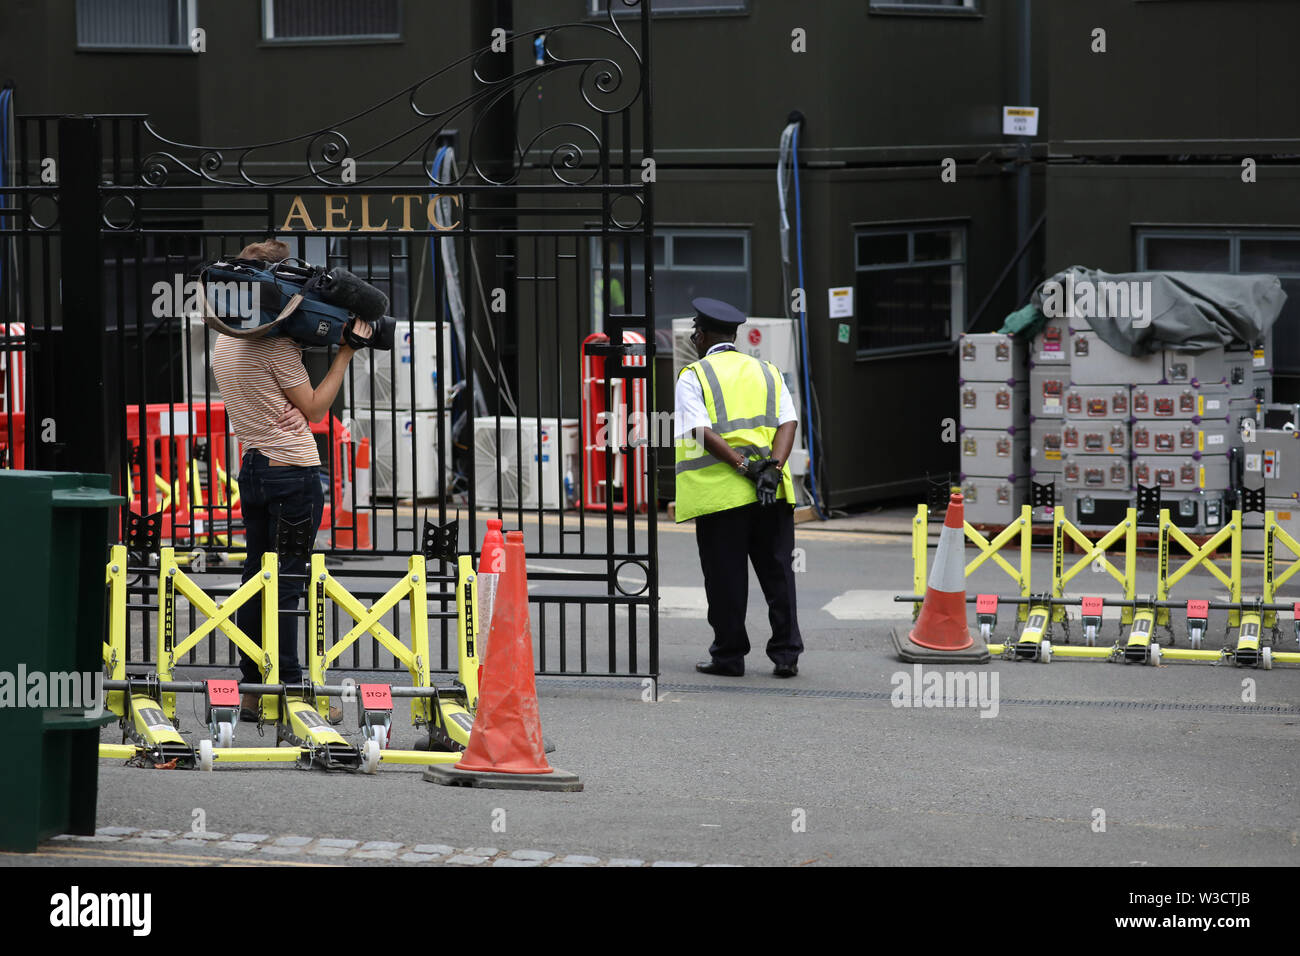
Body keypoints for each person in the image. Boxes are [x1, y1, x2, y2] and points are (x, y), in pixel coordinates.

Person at [210, 238, 371, 720]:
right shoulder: (276, 346)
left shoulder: (224, 339)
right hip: (293, 472)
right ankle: (293, 690)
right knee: (289, 582)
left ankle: (255, 687)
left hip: (254, 467)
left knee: (256, 576)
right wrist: (345, 352)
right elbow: (316, 408)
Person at [674, 297, 803, 678]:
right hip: (771, 493)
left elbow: (700, 431)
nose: (694, 336)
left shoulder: (694, 375)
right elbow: (788, 423)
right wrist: (772, 470)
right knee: (779, 574)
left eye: (696, 330)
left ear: (702, 335)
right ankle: (786, 655)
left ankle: (729, 656)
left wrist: (745, 467)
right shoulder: (767, 370)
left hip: (721, 497)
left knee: (726, 578)